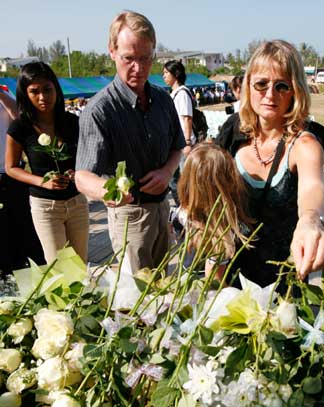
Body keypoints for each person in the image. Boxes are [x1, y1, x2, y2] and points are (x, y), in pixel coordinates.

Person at [216, 40, 324, 288]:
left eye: (281, 86)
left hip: (281, 286)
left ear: (295, 91)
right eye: (261, 84)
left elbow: (313, 189)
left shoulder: (304, 144)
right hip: (227, 280)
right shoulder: (232, 131)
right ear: (248, 85)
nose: (270, 95)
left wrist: (311, 220)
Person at [75, 11, 185, 273]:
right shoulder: (100, 110)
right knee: (134, 299)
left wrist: (167, 171)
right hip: (129, 216)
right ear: (112, 52)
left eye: (145, 58)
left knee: (162, 292)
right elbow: (82, 176)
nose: (138, 68)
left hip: (162, 208)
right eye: (129, 58)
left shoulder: (162, 100)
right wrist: (108, 190)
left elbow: (177, 146)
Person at [5, 62, 89, 264]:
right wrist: (42, 181)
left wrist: (77, 173)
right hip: (45, 207)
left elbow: (87, 158)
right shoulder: (20, 127)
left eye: (47, 89)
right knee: (57, 268)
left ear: (56, 89)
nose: (42, 97)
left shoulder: (72, 122)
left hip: (77, 202)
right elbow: (11, 167)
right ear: (25, 94)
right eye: (35, 91)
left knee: (79, 267)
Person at [178, 143, 252, 275]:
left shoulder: (184, 211)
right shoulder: (219, 232)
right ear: (225, 184)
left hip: (187, 277)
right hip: (206, 289)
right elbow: (214, 280)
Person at [0, 88, 44, 275]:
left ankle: (33, 275)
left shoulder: (5, 99)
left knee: (26, 232)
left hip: (11, 176)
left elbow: (22, 117)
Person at [162, 60, 195, 206]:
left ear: (175, 74)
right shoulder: (174, 93)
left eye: (166, 73)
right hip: (177, 143)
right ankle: (182, 208)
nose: (164, 76)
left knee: (182, 180)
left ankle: (186, 209)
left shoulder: (182, 93)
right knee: (175, 180)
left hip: (183, 144)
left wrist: (187, 142)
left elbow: (187, 118)